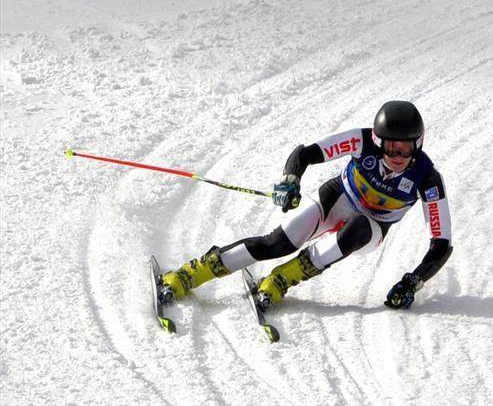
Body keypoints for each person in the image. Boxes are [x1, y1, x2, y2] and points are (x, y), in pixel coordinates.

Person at [158, 101, 453, 311]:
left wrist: (413, 281)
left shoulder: (427, 178)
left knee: (360, 227)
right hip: (337, 199)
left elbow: (441, 243)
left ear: (419, 143)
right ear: (378, 141)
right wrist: (290, 180)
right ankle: (191, 273)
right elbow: (307, 154)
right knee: (275, 244)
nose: (398, 154)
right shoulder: (361, 141)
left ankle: (283, 278)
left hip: (371, 229)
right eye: (391, 147)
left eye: (406, 147)